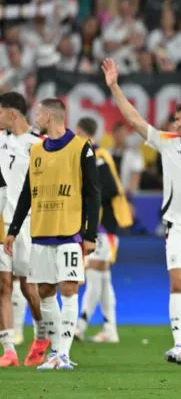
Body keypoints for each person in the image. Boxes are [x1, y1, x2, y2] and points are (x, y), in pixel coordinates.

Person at [103, 58, 181, 365]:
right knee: (177, 282)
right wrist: (115, 86)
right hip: (179, 228)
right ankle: (179, 346)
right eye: (176, 119)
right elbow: (134, 120)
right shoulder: (168, 143)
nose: (178, 123)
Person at [4, 98, 100, 370]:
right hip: (41, 232)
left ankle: (64, 354)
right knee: (46, 291)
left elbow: (93, 193)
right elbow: (26, 193)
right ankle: (56, 351)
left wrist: (90, 233)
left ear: (49, 115)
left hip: (70, 231)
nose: (35, 116)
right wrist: (12, 230)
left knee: (69, 288)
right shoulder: (36, 150)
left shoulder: (81, 147)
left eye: (38, 112)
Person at [0, 93, 50, 367]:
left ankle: (42, 335)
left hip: (29, 223)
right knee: (2, 285)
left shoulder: (38, 145)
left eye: (0, 112)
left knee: (29, 287)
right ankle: (8, 349)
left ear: (13, 114)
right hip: (0, 223)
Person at [75, 117, 133, 343]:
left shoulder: (99, 156)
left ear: (84, 134)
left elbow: (109, 188)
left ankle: (80, 325)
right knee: (103, 277)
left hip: (104, 224)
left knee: (95, 271)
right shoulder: (94, 156)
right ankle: (110, 329)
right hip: (99, 224)